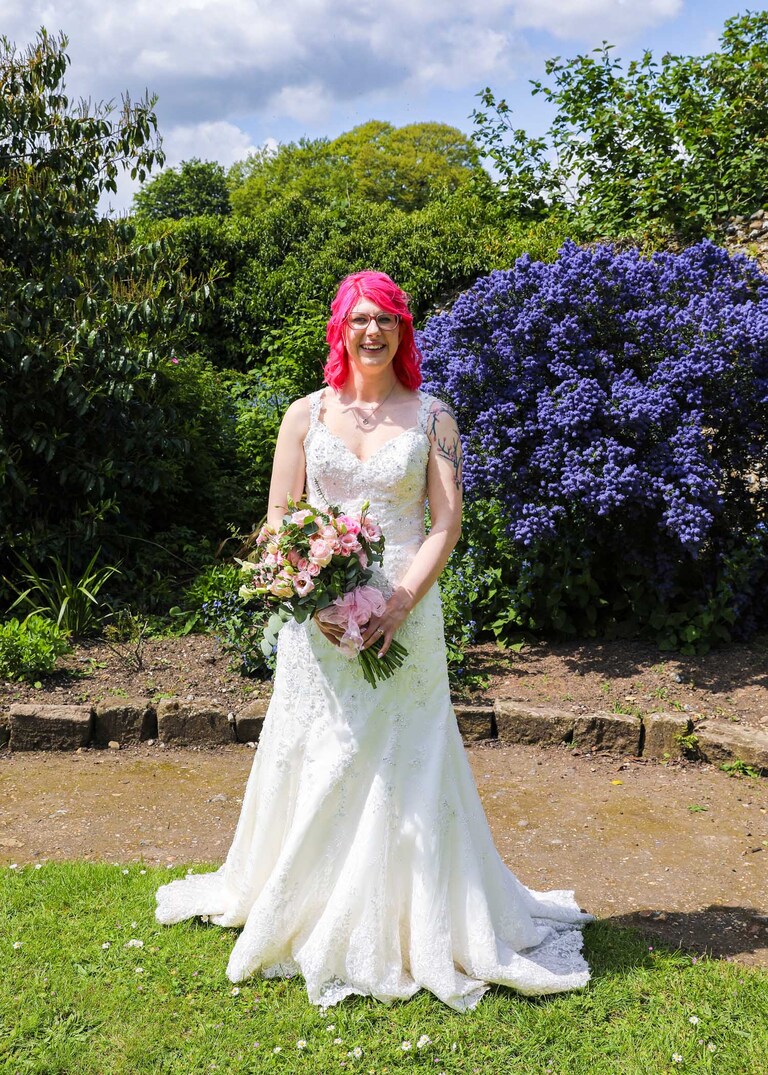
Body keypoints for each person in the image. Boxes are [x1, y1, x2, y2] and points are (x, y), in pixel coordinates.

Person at [156, 270, 592, 1011]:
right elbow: (278, 521)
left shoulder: (434, 419)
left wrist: (398, 603)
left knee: (401, 758)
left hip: (406, 611)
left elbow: (444, 523)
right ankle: (300, 898)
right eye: (360, 319)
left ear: (403, 330)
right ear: (340, 328)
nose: (373, 331)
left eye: (387, 319)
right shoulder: (303, 414)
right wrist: (313, 598)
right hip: (318, 623)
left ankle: (408, 914)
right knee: (322, 748)